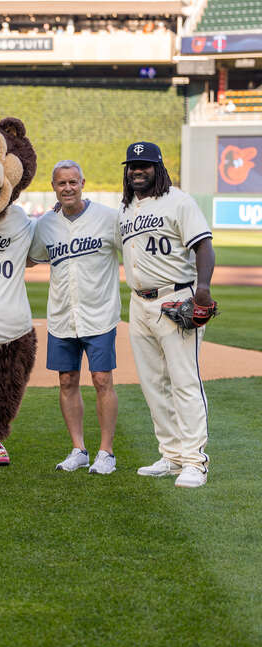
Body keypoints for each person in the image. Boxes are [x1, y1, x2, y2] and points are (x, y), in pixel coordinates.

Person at [118, 141, 216, 489]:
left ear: (158, 168)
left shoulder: (179, 200)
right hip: (139, 304)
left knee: (184, 381)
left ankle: (195, 461)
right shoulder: (127, 208)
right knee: (153, 384)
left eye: (144, 165)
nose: (137, 171)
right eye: (132, 166)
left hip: (175, 298)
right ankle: (172, 455)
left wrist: (202, 287)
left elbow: (203, 245)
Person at [30, 160, 121, 475]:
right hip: (62, 316)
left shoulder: (108, 219)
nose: (67, 188)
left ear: (83, 182)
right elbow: (31, 257)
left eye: (72, 182)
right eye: (61, 183)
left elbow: (132, 252)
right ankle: (78, 449)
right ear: (53, 187)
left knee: (102, 380)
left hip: (99, 314)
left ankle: (106, 452)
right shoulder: (46, 225)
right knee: (66, 381)